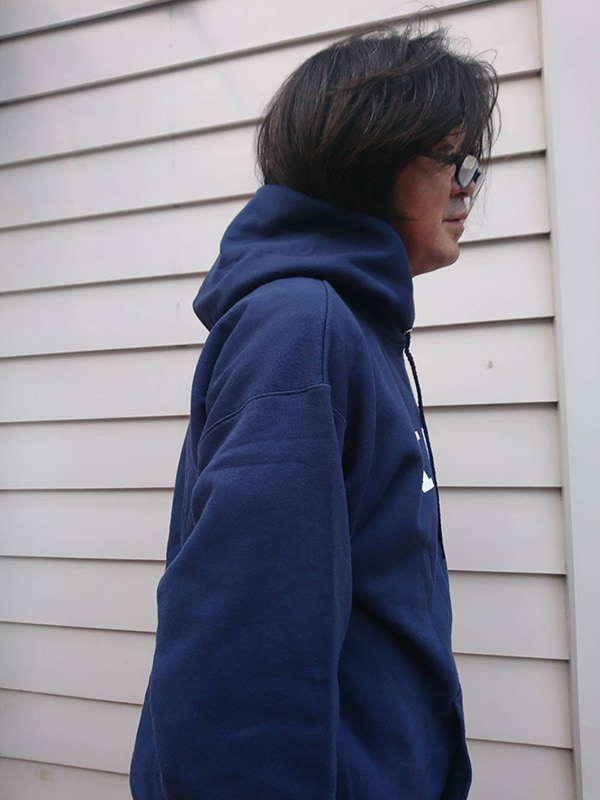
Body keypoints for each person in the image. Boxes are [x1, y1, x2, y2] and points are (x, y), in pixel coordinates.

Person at [130, 25, 498, 800]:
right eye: (452, 161)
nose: (468, 188)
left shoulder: (354, 326)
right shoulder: (302, 327)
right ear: (368, 158)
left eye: (474, 165)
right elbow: (242, 653)